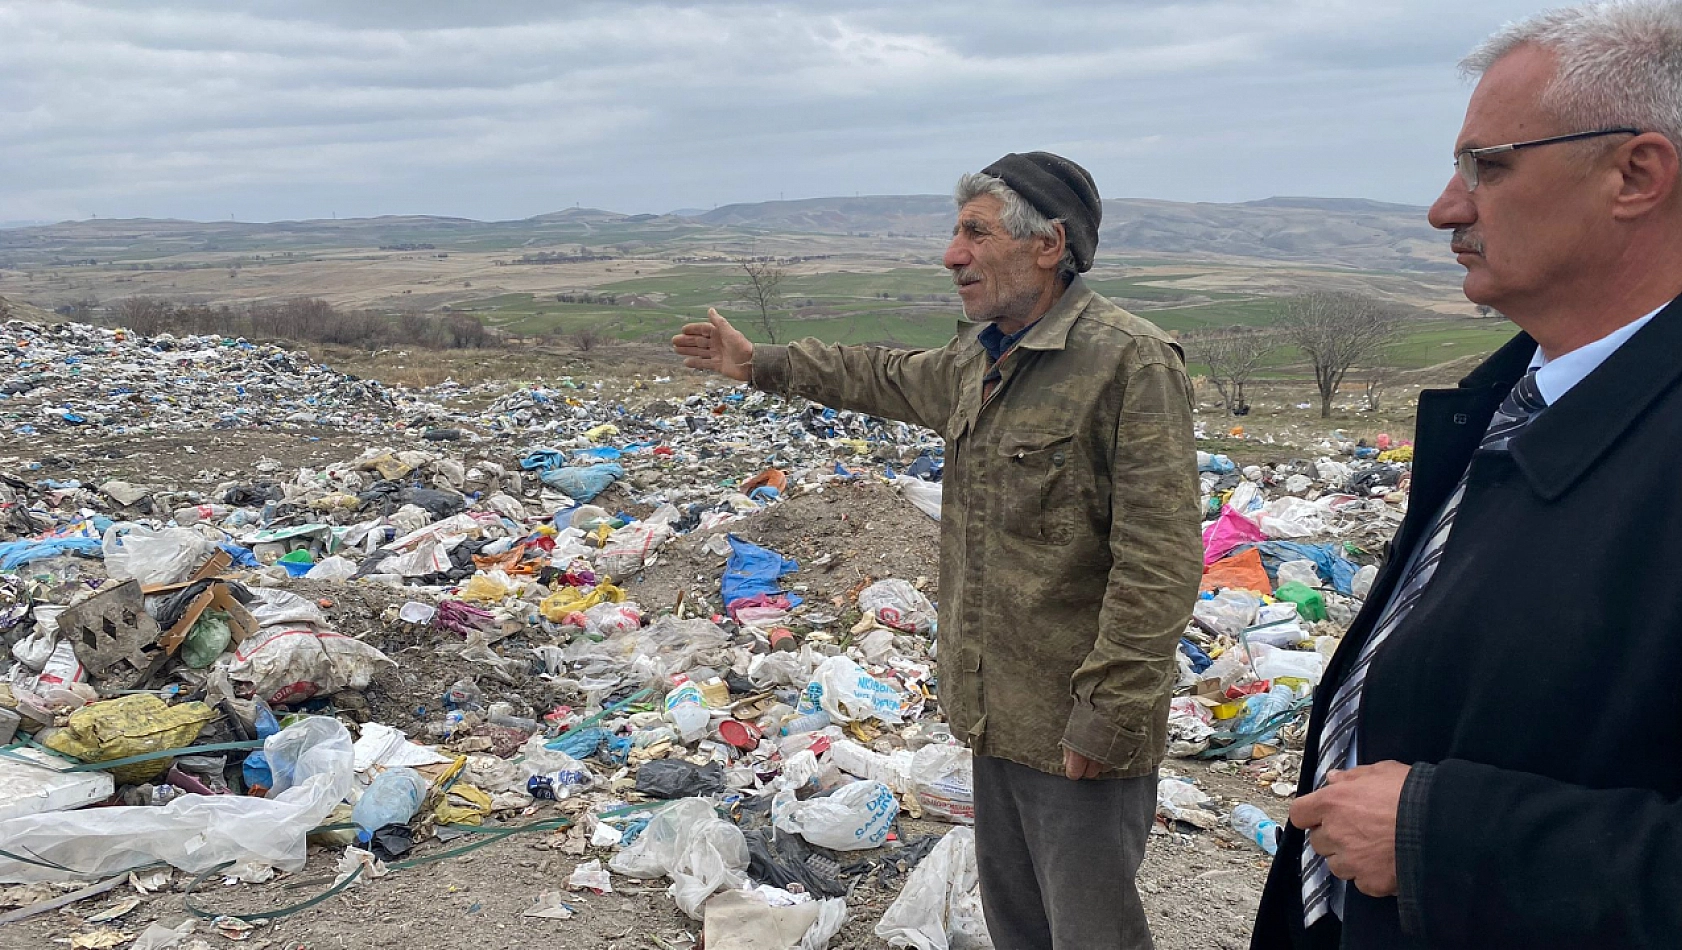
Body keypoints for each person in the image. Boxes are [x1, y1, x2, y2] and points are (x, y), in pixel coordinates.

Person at [674, 151, 1202, 949]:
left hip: (1076, 723)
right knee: (1017, 924)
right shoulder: (980, 358)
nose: (952, 254)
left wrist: (1108, 713)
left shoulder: (1128, 362)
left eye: (974, 233)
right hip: (996, 711)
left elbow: (1159, 560)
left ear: (1048, 245)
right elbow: (881, 375)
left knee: (1090, 933)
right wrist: (759, 365)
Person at [1252, 2, 1682, 947]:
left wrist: (1445, 838)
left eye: (1489, 166)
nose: (1448, 207)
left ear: (1636, 174)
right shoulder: (1505, 399)